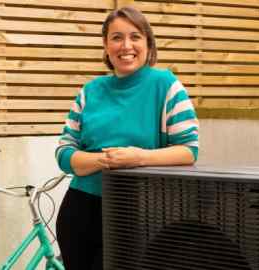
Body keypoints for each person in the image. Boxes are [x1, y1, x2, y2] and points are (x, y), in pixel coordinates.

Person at [54, 6, 199, 270]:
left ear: (148, 43)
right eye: (117, 38)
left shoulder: (165, 85)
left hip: (140, 211)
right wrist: (104, 160)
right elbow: (64, 153)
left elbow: (189, 152)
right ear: (106, 46)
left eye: (135, 36)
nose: (126, 45)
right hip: (80, 210)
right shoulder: (90, 91)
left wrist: (138, 157)